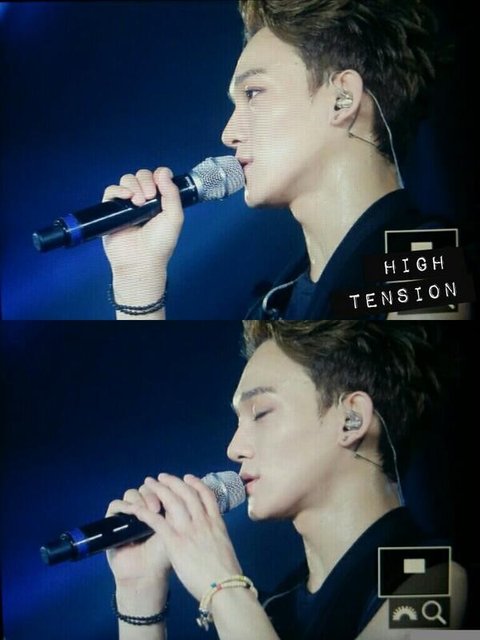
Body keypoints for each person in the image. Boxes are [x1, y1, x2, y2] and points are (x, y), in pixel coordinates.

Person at [101, 0, 469, 321]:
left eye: (253, 93)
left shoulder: (427, 261)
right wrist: (137, 280)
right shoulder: (275, 301)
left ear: (342, 99)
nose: (228, 134)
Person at [105, 320, 467, 639]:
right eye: (238, 421)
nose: (233, 448)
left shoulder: (436, 582)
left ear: (351, 419)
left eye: (261, 413)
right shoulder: (271, 612)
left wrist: (223, 585)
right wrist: (138, 595)